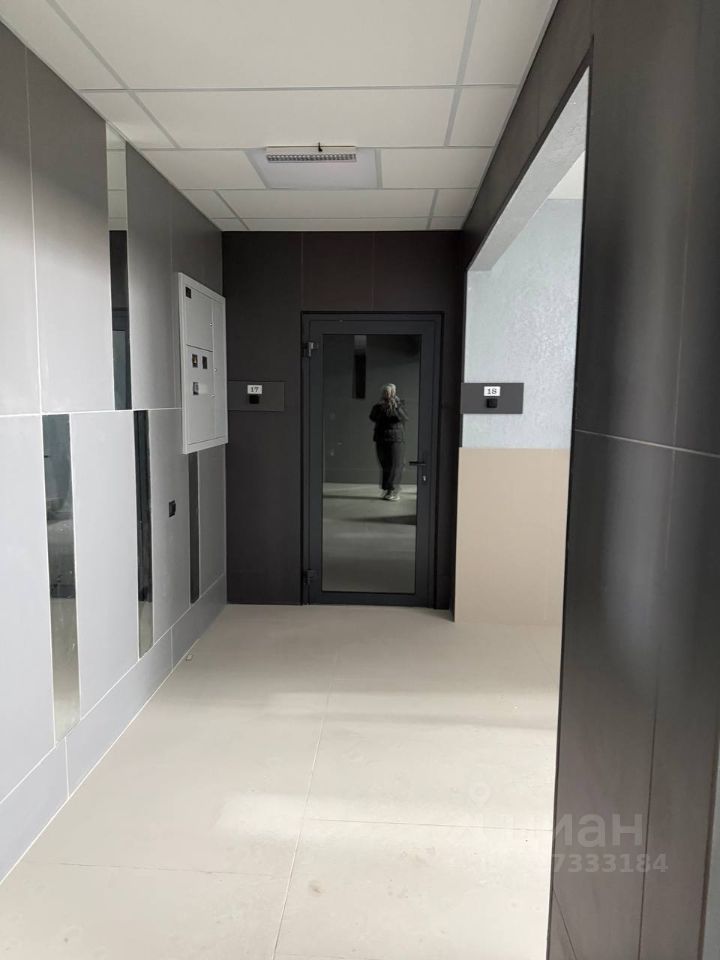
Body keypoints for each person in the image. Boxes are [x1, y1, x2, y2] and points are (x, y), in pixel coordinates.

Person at [369, 383, 408, 501]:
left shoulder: (399, 404)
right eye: (385, 392)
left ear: (394, 392)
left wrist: (395, 407)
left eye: (389, 391)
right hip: (381, 438)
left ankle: (393, 490)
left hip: (395, 439)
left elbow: (403, 418)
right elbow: (372, 417)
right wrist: (382, 407)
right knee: (385, 464)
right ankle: (387, 489)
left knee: (394, 464)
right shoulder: (379, 406)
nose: (387, 394)